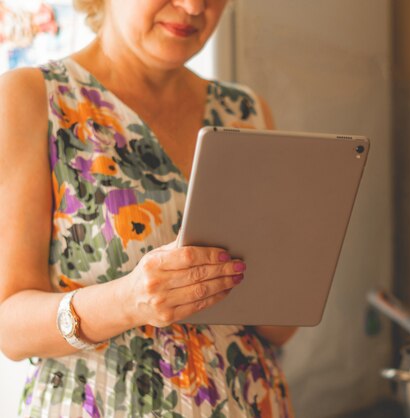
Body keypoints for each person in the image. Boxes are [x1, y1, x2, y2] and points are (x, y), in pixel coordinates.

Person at [0, 0, 297, 416]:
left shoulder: (246, 111)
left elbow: (280, 330)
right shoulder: (33, 97)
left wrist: (296, 273)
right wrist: (128, 300)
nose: (194, 6)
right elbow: (8, 326)